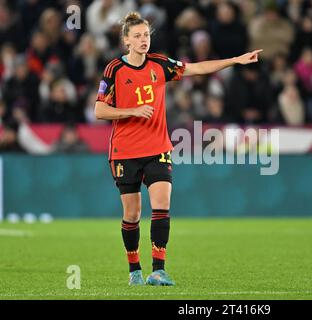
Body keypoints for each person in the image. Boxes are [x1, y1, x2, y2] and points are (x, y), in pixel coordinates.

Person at [94, 11, 262, 286]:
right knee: (132, 214)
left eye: (146, 35)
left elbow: (195, 68)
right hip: (124, 151)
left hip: (158, 146)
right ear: (126, 40)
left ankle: (158, 270)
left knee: (162, 207)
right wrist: (133, 110)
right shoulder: (114, 69)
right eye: (136, 36)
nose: (143, 40)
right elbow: (99, 109)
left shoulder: (159, 64)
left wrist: (234, 60)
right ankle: (134, 270)